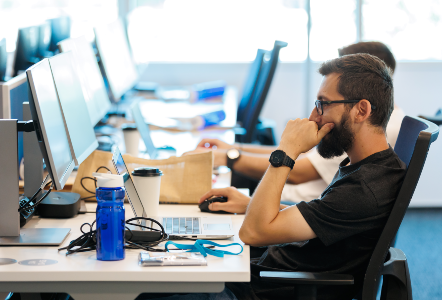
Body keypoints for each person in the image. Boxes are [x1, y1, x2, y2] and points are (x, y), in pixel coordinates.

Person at [138, 53, 406, 300]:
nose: (314, 116)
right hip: (256, 273)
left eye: (323, 104)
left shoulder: (364, 188)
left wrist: (287, 151)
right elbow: (323, 219)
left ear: (361, 110)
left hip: (258, 291)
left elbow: (253, 231)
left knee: (139, 288)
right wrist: (250, 205)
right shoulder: (370, 166)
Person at [190, 41, 405, 209]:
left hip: (295, 198)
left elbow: (298, 171)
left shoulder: (368, 132)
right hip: (301, 208)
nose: (313, 116)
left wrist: (231, 158)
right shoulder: (379, 122)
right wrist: (233, 150)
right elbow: (303, 158)